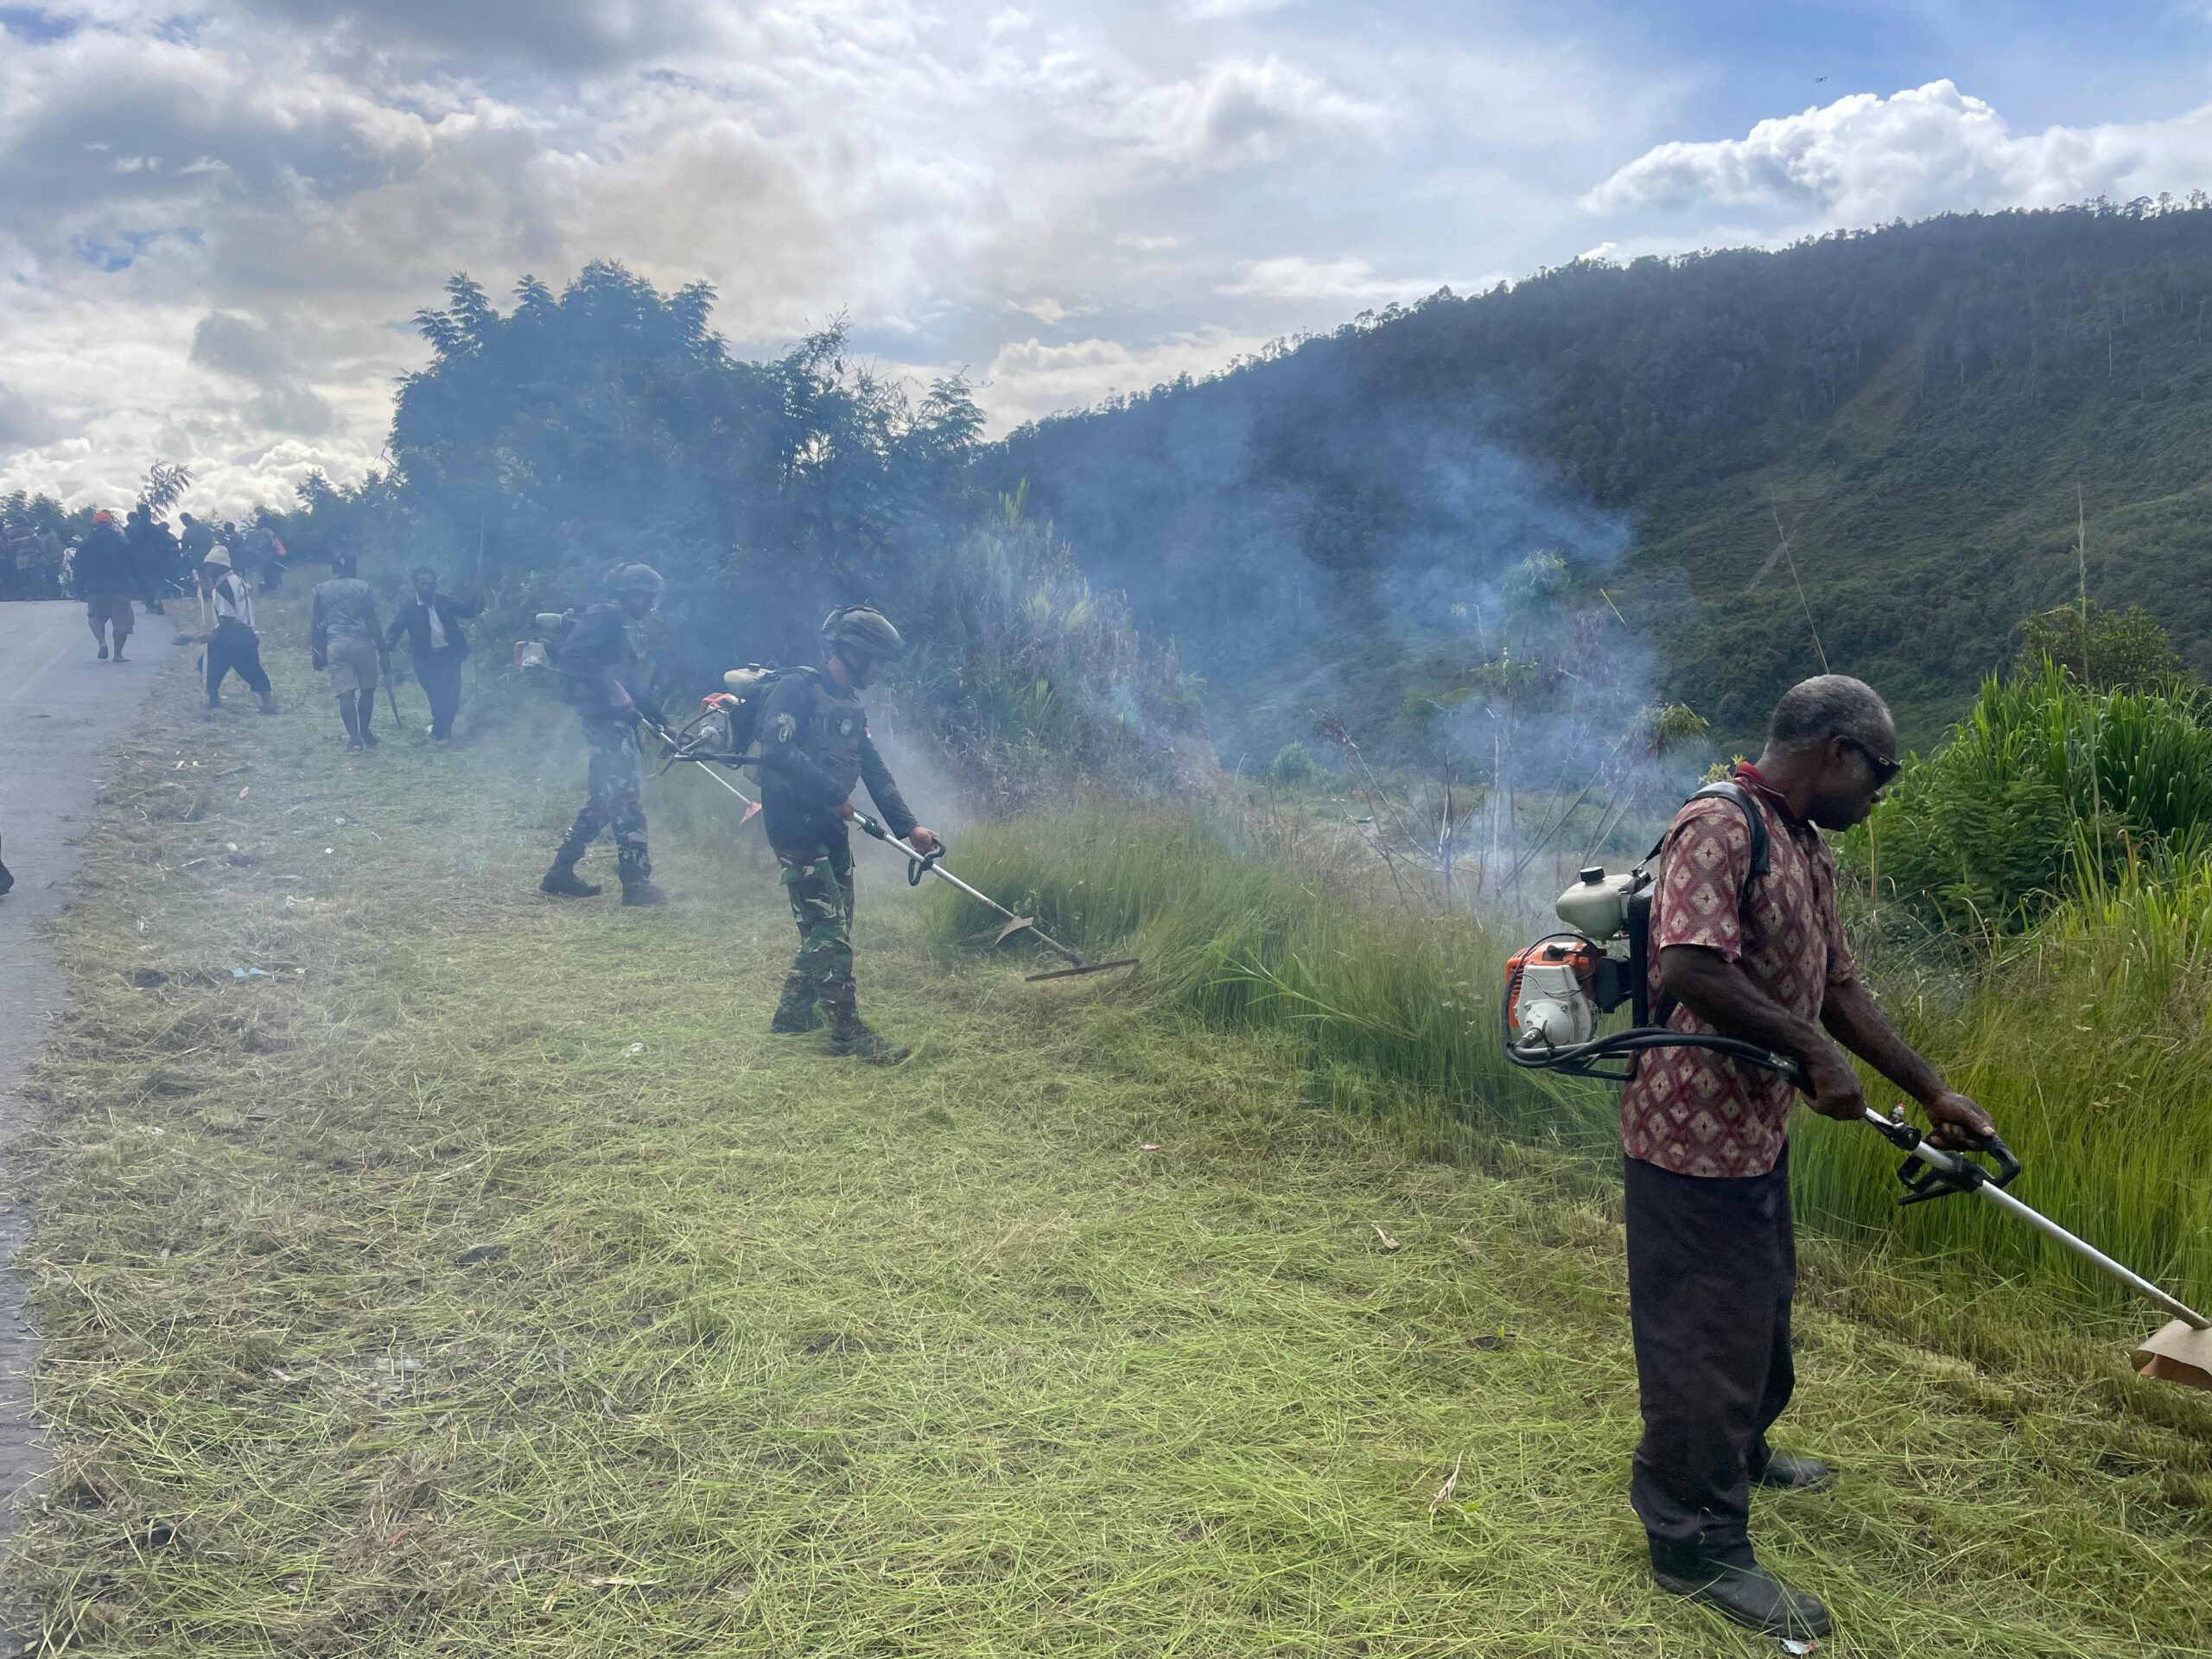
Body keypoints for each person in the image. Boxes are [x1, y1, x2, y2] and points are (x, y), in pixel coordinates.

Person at [1620, 674, 1996, 1642]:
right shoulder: (1718, 825)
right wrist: (1813, 1055)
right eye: (1883, 772)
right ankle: (1694, 1544)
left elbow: (1838, 988)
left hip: (1752, 1130)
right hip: (1687, 1134)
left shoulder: (1803, 845)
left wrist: (1931, 1091)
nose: (1882, 794)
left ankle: (1739, 1453)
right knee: (1703, 1337)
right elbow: (1687, 966)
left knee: (1761, 1311)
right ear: (1837, 751)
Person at [754, 605, 940, 1064]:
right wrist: (833, 792)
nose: (880, 671)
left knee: (834, 926)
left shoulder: (852, 706)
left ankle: (793, 1016)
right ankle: (847, 1034)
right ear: (854, 652)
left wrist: (909, 827)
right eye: (877, 661)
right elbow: (777, 750)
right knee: (828, 931)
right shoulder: (796, 689)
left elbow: (873, 770)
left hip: (831, 826)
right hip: (792, 825)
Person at [540, 563, 670, 906]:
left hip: (615, 723)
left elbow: (633, 687)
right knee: (626, 800)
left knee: (603, 800)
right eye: (645, 597)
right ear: (628, 593)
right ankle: (636, 884)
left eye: (653, 598)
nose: (650, 604)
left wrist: (662, 722)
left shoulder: (624, 624)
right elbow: (573, 657)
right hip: (603, 722)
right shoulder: (605, 615)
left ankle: (560, 872)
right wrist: (609, 685)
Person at [383, 565, 481, 746]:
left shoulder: (444, 602)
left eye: (430, 584)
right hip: (425, 660)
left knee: (452, 696)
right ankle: (443, 736)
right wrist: (386, 647)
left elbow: (468, 611)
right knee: (437, 696)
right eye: (423, 584)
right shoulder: (409, 608)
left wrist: (479, 597)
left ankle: (440, 729)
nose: (426, 587)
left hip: (449, 656)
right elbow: (395, 629)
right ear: (415, 584)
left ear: (435, 584)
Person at [308, 551, 385, 751]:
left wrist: (317, 652)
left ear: (334, 568)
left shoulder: (320, 589)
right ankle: (365, 731)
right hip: (362, 643)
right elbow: (371, 619)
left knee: (345, 694)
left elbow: (317, 623)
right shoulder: (363, 587)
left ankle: (355, 740)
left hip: (336, 645)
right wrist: (383, 648)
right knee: (367, 689)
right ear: (352, 566)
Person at [201, 546, 276, 715]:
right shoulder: (238, 580)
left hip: (230, 634)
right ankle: (268, 704)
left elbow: (227, 617)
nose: (208, 570)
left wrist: (212, 637)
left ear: (220, 566)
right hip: (246, 632)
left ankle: (214, 703)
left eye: (210, 566)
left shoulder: (222, 586)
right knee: (253, 670)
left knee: (209, 666)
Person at [74, 510, 136, 662]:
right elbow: (133, 564)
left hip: (95, 587)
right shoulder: (122, 541)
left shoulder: (86, 543)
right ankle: (118, 654)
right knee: (122, 621)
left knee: (95, 616)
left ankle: (102, 642)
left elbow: (79, 567)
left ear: (94, 524)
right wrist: (137, 585)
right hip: (120, 587)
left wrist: (79, 588)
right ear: (110, 523)